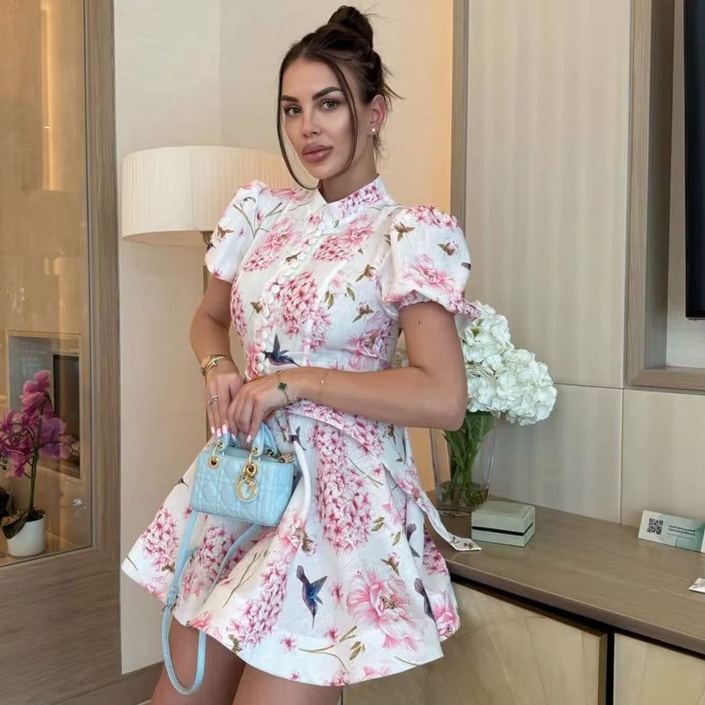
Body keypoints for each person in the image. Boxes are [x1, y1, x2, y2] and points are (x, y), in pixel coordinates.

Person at [122, 6, 480, 705]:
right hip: (247, 483)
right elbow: (208, 318)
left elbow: (443, 397)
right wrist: (218, 367)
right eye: (292, 109)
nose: (307, 127)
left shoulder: (406, 234)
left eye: (328, 104)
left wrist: (295, 382)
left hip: (335, 508)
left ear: (373, 112)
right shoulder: (261, 214)